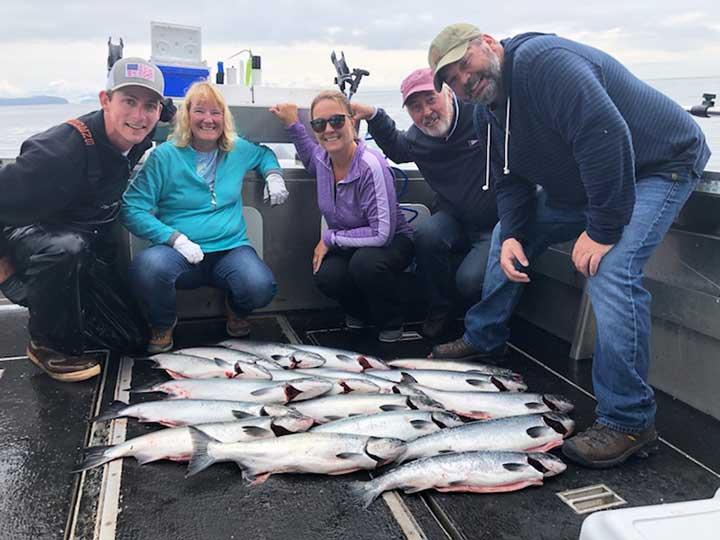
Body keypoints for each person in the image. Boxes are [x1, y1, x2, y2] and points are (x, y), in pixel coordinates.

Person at [427, 23, 711, 468]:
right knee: (508, 233)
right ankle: (486, 336)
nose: (465, 80)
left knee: (612, 268)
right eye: (453, 79)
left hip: (657, 165)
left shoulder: (545, 64)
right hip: (590, 179)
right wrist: (517, 232)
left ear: (488, 44)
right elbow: (510, 179)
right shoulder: (490, 110)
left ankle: (629, 420)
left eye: (466, 65)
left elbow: (606, 135)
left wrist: (602, 229)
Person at [0, 57, 167, 382]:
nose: (138, 116)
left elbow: (173, 109)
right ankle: (46, 344)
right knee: (66, 248)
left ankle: (63, 311)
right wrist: (3, 267)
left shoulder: (137, 133)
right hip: (36, 237)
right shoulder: (58, 152)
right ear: (105, 100)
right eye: (128, 101)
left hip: (88, 244)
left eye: (150, 105)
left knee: (129, 338)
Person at [122, 81, 288, 353]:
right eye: (200, 111)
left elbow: (264, 154)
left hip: (230, 249)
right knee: (148, 268)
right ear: (187, 115)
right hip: (179, 254)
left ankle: (236, 309)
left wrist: (273, 175)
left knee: (260, 287)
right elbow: (131, 208)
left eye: (216, 112)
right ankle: (163, 323)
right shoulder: (165, 156)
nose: (208, 119)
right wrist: (174, 239)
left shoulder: (237, 149)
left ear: (225, 118)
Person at [351, 67, 497, 339]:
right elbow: (396, 148)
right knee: (426, 235)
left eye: (431, 99)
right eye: (415, 107)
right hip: (454, 217)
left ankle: (482, 331)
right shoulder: (419, 138)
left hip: (496, 223)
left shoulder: (482, 116)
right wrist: (374, 115)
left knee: (469, 282)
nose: (426, 111)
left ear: (449, 92)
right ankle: (439, 308)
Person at [270, 91, 414, 342]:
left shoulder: (371, 165)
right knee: (326, 275)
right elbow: (308, 154)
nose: (328, 130)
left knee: (365, 265)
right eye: (319, 123)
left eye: (336, 121)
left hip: (390, 242)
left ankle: (390, 321)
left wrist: (330, 238)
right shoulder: (323, 159)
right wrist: (293, 124)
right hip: (349, 241)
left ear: (352, 122)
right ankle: (360, 313)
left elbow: (382, 234)